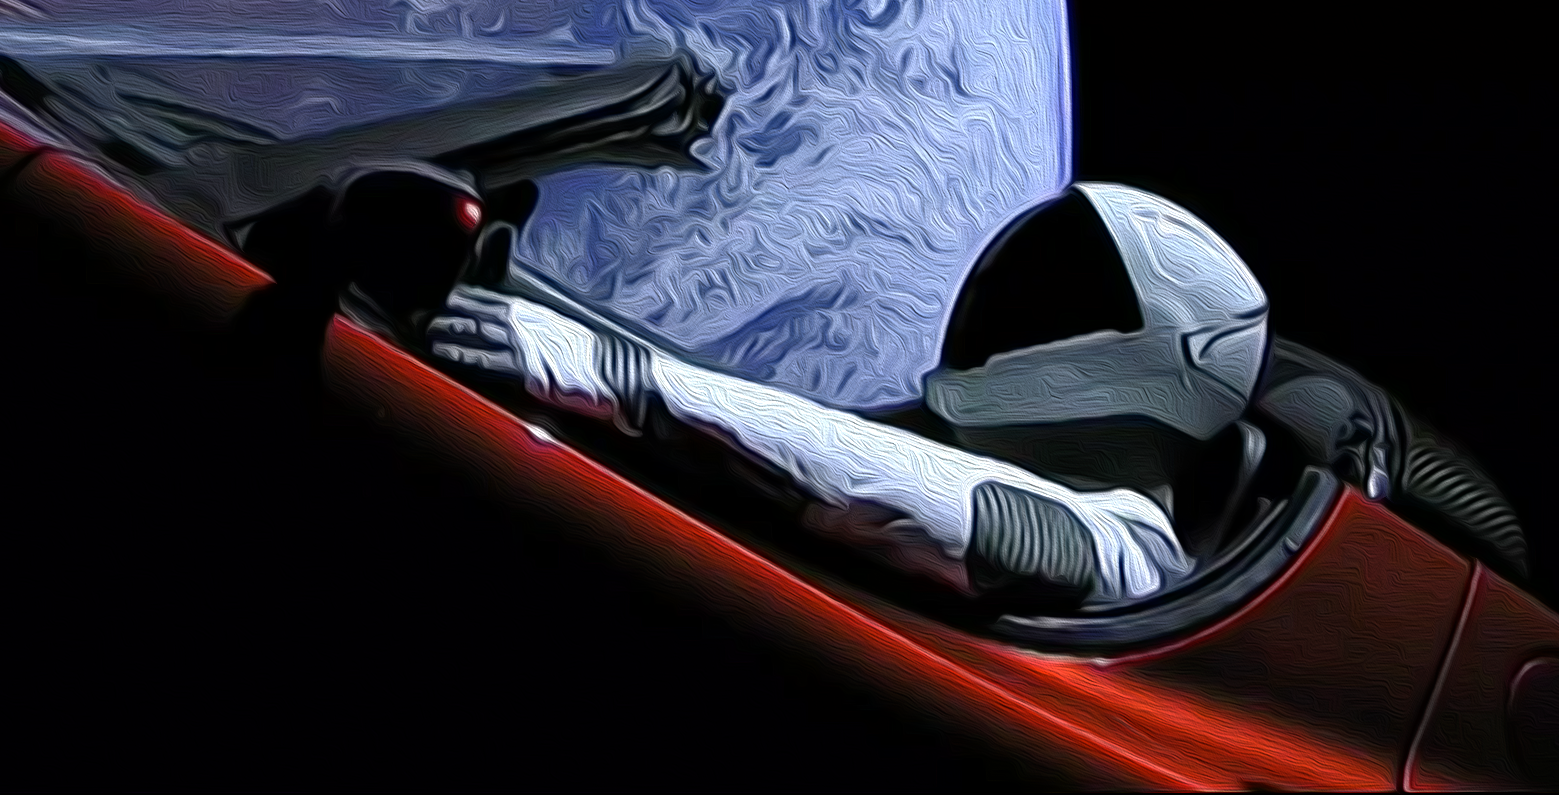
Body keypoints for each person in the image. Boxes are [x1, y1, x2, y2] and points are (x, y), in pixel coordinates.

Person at [429, 181, 1271, 611]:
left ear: (1162, 367)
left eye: (1058, 304)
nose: (1002, 316)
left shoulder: (1128, 559)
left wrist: (630, 381)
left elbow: (917, 494)